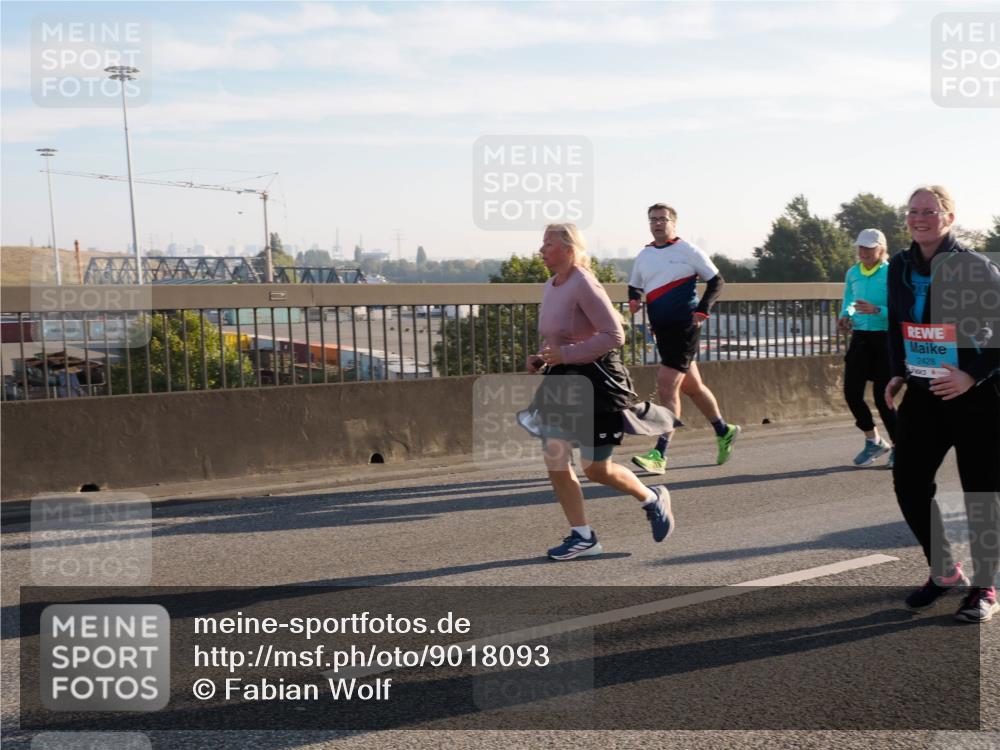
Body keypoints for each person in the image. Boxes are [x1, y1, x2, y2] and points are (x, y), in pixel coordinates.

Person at [885, 185, 1000, 623]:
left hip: (976, 395)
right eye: (913, 211)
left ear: (949, 218)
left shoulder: (973, 266)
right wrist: (898, 368)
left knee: (981, 493)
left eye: (930, 211)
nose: (920, 218)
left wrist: (971, 373)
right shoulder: (898, 266)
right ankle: (944, 571)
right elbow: (899, 324)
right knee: (909, 482)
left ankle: (985, 586)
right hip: (924, 390)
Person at [529, 223, 674, 561]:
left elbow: (613, 335)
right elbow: (559, 336)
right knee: (555, 459)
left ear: (568, 248)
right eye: (542, 243)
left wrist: (566, 354)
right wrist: (542, 355)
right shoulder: (551, 285)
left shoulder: (583, 282)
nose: (541, 250)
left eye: (548, 244)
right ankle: (583, 536)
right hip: (561, 381)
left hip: (595, 385)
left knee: (596, 469)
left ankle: (651, 498)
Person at [628, 203, 740, 475]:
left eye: (663, 219)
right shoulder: (644, 255)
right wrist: (634, 299)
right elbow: (635, 285)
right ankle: (724, 430)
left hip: (685, 327)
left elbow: (717, 281)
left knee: (667, 387)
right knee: (692, 386)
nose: (657, 224)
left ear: (673, 224)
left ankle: (660, 452)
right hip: (661, 330)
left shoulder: (688, 250)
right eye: (653, 219)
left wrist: (703, 309)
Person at [838, 228, 896, 468]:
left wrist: (877, 310)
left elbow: (904, 310)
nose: (864, 252)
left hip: (885, 339)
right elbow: (849, 301)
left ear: (881, 249)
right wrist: (845, 315)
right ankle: (873, 440)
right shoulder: (853, 273)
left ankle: (900, 444)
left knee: (884, 398)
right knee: (851, 393)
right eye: (861, 247)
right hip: (861, 337)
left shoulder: (892, 273)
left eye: (869, 248)